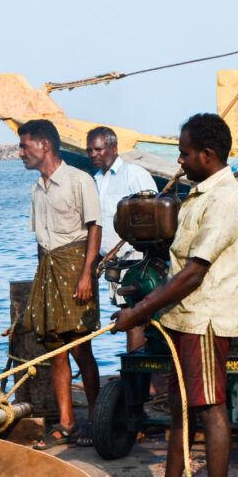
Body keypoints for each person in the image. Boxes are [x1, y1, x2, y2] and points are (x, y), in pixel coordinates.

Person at [114, 113, 238, 477]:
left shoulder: (225, 200)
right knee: (180, 407)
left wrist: (136, 314)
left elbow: (193, 273)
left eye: (186, 152)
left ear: (207, 155)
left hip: (205, 319)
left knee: (210, 410)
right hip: (183, 318)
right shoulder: (199, 194)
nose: (180, 159)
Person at [18, 119, 102, 449]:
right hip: (49, 271)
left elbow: (94, 228)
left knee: (82, 348)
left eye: (25, 146)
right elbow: (41, 243)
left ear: (45, 146)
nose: (21, 153)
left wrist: (86, 275)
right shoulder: (37, 189)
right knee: (55, 351)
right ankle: (67, 424)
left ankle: (97, 420)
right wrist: (42, 281)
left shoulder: (79, 181)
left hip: (76, 268)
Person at [86, 126, 157, 353]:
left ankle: (138, 376)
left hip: (135, 261)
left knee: (135, 317)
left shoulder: (134, 174)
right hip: (112, 263)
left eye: (98, 149)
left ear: (114, 148)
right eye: (89, 151)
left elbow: (154, 215)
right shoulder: (96, 181)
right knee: (127, 317)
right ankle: (138, 374)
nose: (93, 155)